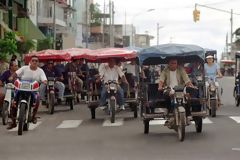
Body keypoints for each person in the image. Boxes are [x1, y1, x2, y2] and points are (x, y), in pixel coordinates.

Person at [7, 56, 47, 129]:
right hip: (21, 88)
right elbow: (16, 73)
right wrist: (12, 77)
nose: (34, 62)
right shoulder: (24, 68)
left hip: (33, 90)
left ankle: (33, 116)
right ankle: (13, 122)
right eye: (33, 60)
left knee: (37, 99)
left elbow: (44, 79)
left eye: (36, 61)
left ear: (38, 63)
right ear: (30, 62)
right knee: (14, 102)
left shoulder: (40, 71)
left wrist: (44, 81)